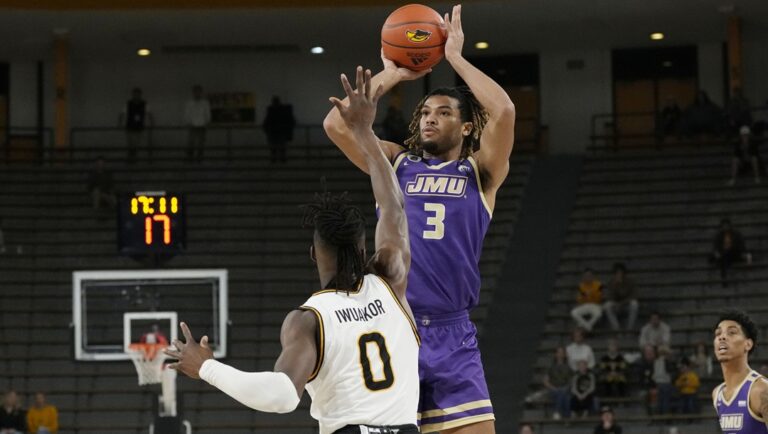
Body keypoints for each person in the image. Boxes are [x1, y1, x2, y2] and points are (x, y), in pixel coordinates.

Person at [166, 67, 420, 434]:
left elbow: (283, 396)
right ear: (365, 246)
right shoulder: (391, 279)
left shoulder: (308, 319)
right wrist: (364, 132)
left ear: (314, 254)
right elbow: (393, 207)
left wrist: (206, 367)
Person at [322, 5, 515, 433]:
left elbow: (503, 112)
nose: (430, 117)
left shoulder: (480, 175)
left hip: (453, 333)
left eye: (444, 112)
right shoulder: (394, 163)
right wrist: (396, 71)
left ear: (467, 128)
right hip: (396, 327)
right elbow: (337, 124)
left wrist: (456, 59)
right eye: (426, 111)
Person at [712, 309, 768, 433]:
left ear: (748, 344)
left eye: (731, 332)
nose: (722, 337)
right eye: (718, 334)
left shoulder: (761, 390)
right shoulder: (717, 394)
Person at [709, 218, 752, 285]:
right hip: (723, 254)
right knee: (721, 259)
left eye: (727, 226)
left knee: (725, 257)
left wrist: (742, 252)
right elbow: (716, 247)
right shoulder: (719, 235)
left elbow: (741, 245)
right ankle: (724, 278)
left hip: (733, 252)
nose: (726, 227)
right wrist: (717, 254)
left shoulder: (736, 234)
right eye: (724, 226)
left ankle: (724, 277)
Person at [118, 87, 152, 162]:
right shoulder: (128, 104)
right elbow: (122, 114)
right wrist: (119, 123)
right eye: (135, 94)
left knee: (137, 145)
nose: (136, 96)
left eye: (138, 94)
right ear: (132, 95)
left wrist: (152, 123)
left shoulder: (144, 104)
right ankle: (130, 160)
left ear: (140, 95)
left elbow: (149, 114)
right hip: (130, 127)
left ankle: (134, 159)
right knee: (130, 145)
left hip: (139, 128)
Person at [602, 263, 639, 331]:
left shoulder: (630, 282)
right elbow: (609, 297)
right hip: (616, 306)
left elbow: (634, 296)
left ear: (624, 273)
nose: (619, 274)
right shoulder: (611, 282)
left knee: (635, 304)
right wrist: (615, 285)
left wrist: (622, 303)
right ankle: (617, 329)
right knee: (607, 305)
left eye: (621, 272)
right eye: (617, 273)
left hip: (626, 306)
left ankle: (629, 329)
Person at [263, 96, 296, 163]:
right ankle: (279, 160)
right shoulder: (281, 110)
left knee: (278, 148)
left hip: (277, 132)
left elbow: (267, 121)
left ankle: (276, 160)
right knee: (277, 148)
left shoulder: (274, 110)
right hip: (278, 132)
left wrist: (266, 130)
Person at [543, 347, 572, 420]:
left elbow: (571, 382)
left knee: (564, 395)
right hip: (553, 389)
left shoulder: (568, 367)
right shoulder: (551, 366)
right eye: (559, 352)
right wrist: (553, 388)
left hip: (565, 389)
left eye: (562, 353)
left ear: (565, 355)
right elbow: (545, 381)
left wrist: (566, 388)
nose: (560, 354)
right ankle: (567, 417)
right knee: (562, 394)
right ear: (556, 354)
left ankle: (557, 412)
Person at [184, 85, 211, 160]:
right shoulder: (189, 103)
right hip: (192, 125)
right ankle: (190, 158)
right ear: (193, 93)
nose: (197, 93)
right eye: (196, 92)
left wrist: (207, 122)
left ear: (201, 93)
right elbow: (187, 114)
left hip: (202, 126)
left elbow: (208, 114)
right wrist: (188, 123)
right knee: (191, 143)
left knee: (201, 144)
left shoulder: (205, 103)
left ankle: (199, 159)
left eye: (199, 92)